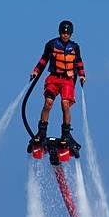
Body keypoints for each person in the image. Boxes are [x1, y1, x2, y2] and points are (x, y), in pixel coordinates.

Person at [30, 20, 86, 153]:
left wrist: (82, 75)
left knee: (65, 104)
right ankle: (41, 132)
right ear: (59, 32)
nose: (65, 35)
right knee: (48, 103)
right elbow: (43, 59)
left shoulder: (75, 47)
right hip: (54, 78)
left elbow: (79, 63)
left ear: (71, 34)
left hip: (67, 80)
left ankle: (66, 134)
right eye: (63, 32)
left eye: (67, 33)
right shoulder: (51, 44)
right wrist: (35, 71)